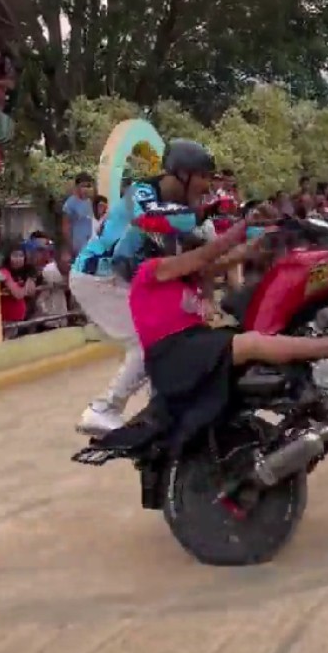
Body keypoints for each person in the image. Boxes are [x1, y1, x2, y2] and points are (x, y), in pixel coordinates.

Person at [109, 208, 328, 450]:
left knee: (261, 330)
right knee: (252, 342)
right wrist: (242, 226)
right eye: (179, 240)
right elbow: (205, 255)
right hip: (175, 354)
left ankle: (306, 392)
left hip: (193, 344)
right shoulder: (150, 271)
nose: (184, 244)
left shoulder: (181, 278)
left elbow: (231, 256)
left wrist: (265, 235)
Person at [66, 138, 218, 436]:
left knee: (170, 336)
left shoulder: (182, 208)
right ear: (182, 173)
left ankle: (164, 406)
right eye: (203, 177)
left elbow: (201, 252)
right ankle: (103, 409)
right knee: (148, 341)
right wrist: (203, 214)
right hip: (98, 277)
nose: (207, 187)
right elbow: (150, 217)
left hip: (126, 280)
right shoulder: (143, 193)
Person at [62, 172, 97, 265]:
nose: (85, 189)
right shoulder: (70, 203)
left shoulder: (91, 202)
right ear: (77, 186)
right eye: (83, 186)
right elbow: (66, 227)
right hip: (77, 245)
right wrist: (70, 247)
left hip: (91, 245)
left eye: (88, 186)